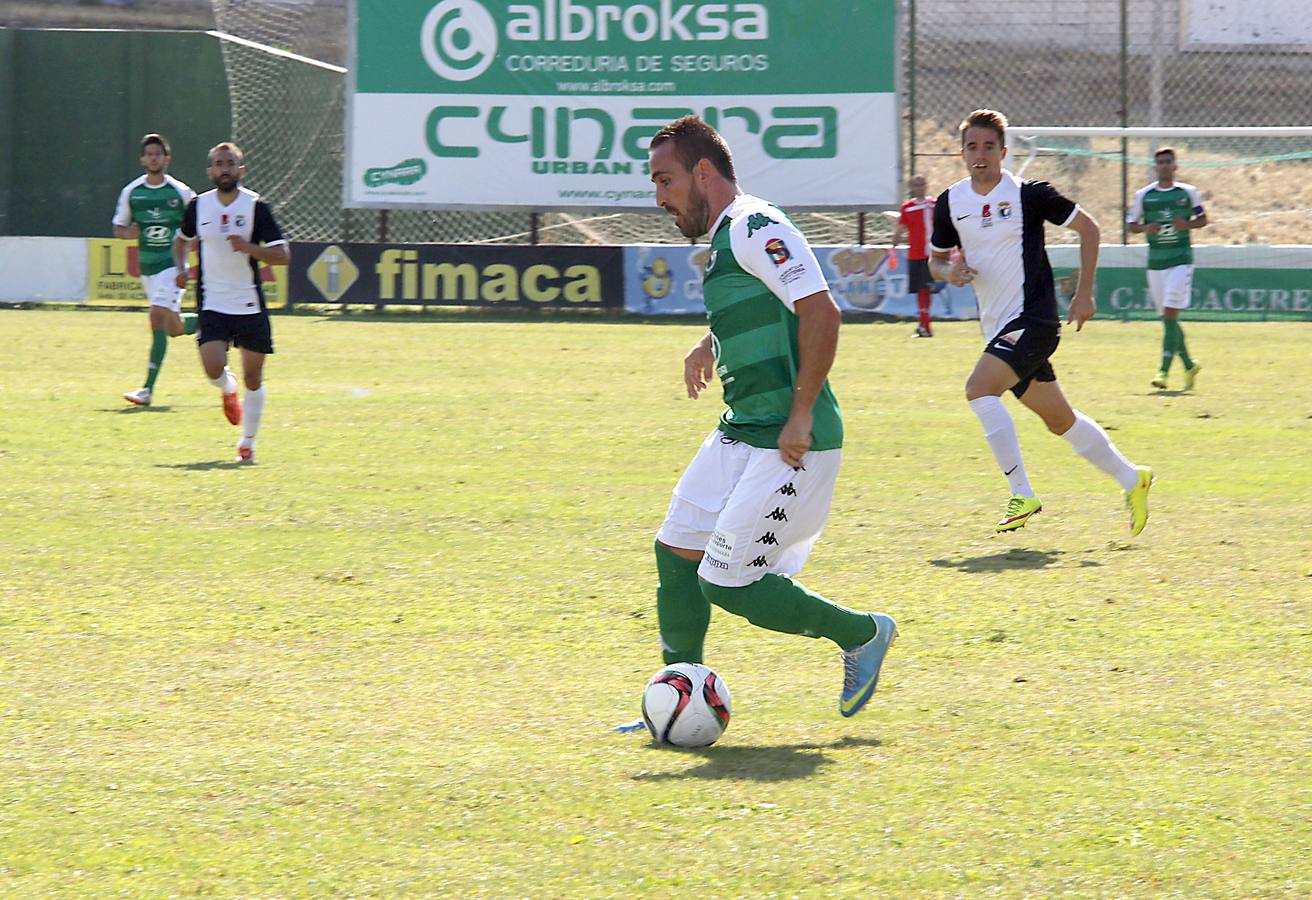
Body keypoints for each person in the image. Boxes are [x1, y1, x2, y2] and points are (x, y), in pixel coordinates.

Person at [616, 115, 896, 732]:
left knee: (729, 583)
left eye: (665, 181)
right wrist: (708, 342)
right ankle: (678, 688)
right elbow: (764, 307)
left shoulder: (755, 225)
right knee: (676, 550)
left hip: (789, 440)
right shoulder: (726, 236)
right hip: (742, 429)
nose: (659, 198)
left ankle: (864, 633)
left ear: (704, 173)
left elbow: (820, 313)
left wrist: (799, 415)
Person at [928, 109, 1153, 535]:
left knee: (979, 390)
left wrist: (1085, 293)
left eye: (989, 147)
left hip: (1033, 318)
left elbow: (1089, 229)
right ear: (961, 152)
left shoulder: (1029, 194)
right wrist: (948, 272)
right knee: (1059, 421)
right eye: (972, 147)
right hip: (998, 328)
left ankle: (1022, 492)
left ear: (1003, 151)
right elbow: (935, 262)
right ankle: (1132, 478)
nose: (981, 155)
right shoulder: (950, 203)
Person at [173, 142, 290, 463]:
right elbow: (180, 242)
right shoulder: (199, 206)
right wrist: (182, 268)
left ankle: (248, 442)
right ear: (210, 171)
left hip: (249, 303)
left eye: (230, 163)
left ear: (241, 170)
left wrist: (250, 248)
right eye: (219, 164)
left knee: (255, 378)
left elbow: (283, 255)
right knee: (212, 369)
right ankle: (227, 387)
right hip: (212, 303)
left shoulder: (255, 206)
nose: (224, 169)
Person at [113, 133, 197, 406]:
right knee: (172, 327)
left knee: (156, 318)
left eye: (158, 154)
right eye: (149, 154)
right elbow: (119, 228)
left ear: (166, 159)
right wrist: (128, 233)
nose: (153, 158)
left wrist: (193, 245)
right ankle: (212, 322)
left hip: (172, 266)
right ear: (142, 159)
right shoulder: (132, 192)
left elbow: (199, 224)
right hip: (148, 268)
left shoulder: (181, 192)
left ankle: (147, 390)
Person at [1127, 147, 1208, 390]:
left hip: (1180, 261)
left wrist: (1187, 225)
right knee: (1167, 318)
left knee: (1170, 314)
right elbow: (1131, 224)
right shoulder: (1145, 195)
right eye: (1160, 162)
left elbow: (1203, 219)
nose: (1163, 166)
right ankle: (1189, 364)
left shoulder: (1188, 193)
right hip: (1156, 263)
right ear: (1155, 167)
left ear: (1175, 167)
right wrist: (1144, 229)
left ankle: (1163, 371)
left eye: (1167, 162)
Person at [891, 174, 937, 337]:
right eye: (916, 185)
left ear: (926, 186)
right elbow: (901, 228)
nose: (920, 187)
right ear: (912, 187)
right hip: (915, 254)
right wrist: (893, 245)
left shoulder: (934, 205)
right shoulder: (907, 207)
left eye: (922, 184)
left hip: (932, 254)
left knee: (926, 289)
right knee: (920, 290)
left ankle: (925, 325)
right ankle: (924, 325)